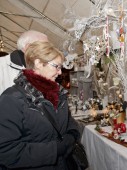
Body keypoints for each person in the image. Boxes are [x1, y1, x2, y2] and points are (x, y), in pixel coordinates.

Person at [0, 41, 80, 170]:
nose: (60, 72)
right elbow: (6, 151)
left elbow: (70, 123)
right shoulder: (11, 99)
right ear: (38, 63)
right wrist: (56, 149)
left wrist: (71, 137)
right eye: (56, 66)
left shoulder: (58, 93)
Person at [0, 30, 48, 95]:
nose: (48, 52)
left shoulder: (39, 69)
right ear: (28, 47)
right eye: (44, 47)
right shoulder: (2, 65)